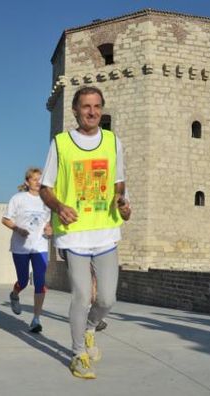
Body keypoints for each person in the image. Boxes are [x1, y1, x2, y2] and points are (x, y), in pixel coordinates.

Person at [39, 86, 132, 379]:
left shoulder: (113, 141)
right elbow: (45, 188)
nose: (91, 112)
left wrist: (122, 203)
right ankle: (78, 353)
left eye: (96, 106)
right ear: (75, 110)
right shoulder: (61, 143)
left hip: (105, 231)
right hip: (74, 232)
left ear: (102, 109)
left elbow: (119, 182)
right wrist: (59, 206)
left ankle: (90, 328)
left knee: (107, 299)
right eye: (85, 106)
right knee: (81, 295)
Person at [2, 168, 52, 333]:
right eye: (34, 179)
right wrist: (17, 229)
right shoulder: (18, 198)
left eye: (40, 179)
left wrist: (49, 229)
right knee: (23, 280)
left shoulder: (48, 201)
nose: (38, 182)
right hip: (20, 246)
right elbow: (6, 219)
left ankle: (36, 319)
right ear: (27, 182)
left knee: (40, 282)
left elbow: (49, 223)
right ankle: (15, 293)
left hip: (40, 246)